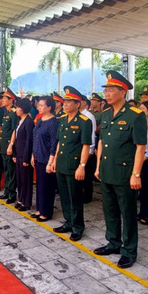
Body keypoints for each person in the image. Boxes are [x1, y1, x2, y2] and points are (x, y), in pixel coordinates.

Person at [94, 70, 147, 269]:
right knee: (110, 209)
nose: (106, 94)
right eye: (105, 90)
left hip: (125, 173)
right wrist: (98, 166)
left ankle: (129, 250)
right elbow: (101, 142)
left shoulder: (135, 116)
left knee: (128, 212)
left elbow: (141, 147)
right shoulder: (107, 115)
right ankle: (113, 242)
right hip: (107, 170)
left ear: (123, 92)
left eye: (110, 90)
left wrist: (136, 174)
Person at [51, 86, 92, 240]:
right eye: (65, 101)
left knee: (75, 197)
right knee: (64, 196)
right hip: (62, 163)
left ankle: (78, 226)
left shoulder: (84, 122)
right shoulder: (62, 120)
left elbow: (86, 145)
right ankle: (68, 221)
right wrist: (55, 160)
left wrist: (82, 166)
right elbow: (60, 143)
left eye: (69, 102)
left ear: (78, 103)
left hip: (74, 165)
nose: (65, 104)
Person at [30, 96, 59, 221]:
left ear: (49, 107)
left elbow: (54, 143)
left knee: (47, 186)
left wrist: (51, 161)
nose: (39, 107)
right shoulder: (41, 120)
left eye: (42, 105)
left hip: (47, 158)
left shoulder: (53, 122)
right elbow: (36, 138)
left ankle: (46, 212)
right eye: (39, 105)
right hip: (38, 156)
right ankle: (40, 208)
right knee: (39, 185)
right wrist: (33, 154)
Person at [0, 88, 19, 204]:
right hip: (3, 144)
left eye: (5, 98)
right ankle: (7, 191)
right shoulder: (6, 112)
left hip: (9, 145)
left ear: (11, 100)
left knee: (11, 170)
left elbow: (14, 130)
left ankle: (12, 193)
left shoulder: (14, 113)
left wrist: (11, 145)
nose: (2, 100)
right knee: (6, 169)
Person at [13, 98, 34, 211]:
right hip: (19, 153)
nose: (16, 110)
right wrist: (15, 154)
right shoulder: (20, 120)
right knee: (20, 178)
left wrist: (26, 158)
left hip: (25, 155)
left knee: (26, 179)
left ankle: (26, 202)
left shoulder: (29, 122)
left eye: (18, 108)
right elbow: (17, 139)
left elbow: (29, 141)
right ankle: (21, 199)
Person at [79, 97, 98, 203]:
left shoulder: (89, 116)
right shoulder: (78, 115)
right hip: (79, 150)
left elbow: (92, 134)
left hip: (87, 150)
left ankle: (87, 196)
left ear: (85, 103)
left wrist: (90, 150)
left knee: (87, 175)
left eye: (81, 101)